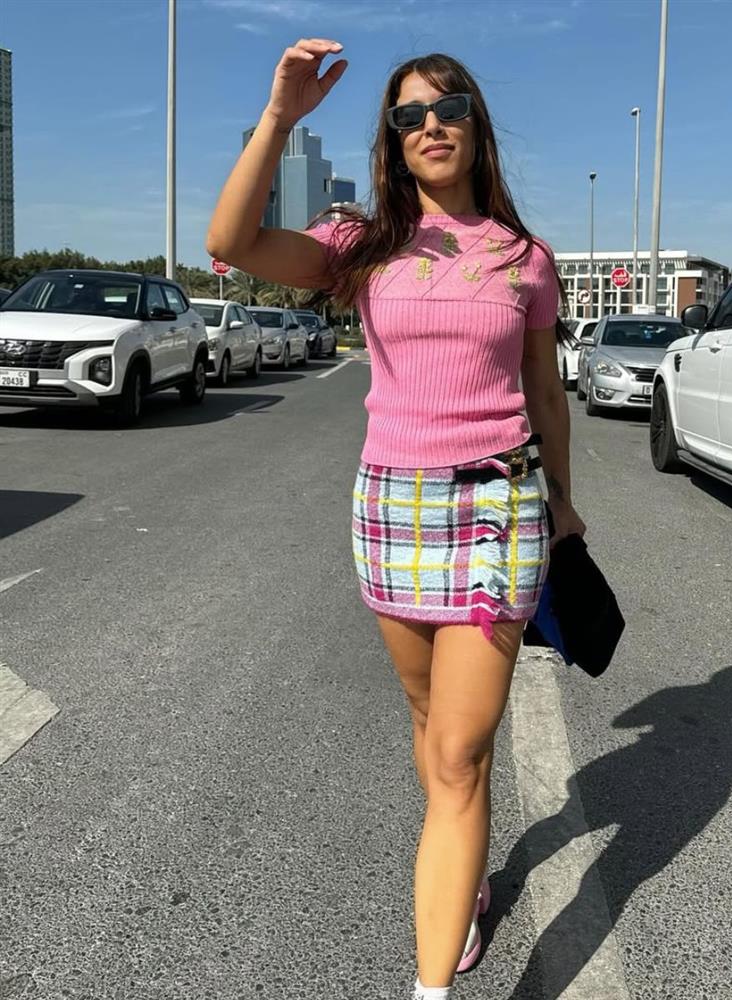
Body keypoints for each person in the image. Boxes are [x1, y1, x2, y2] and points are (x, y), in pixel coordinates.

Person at [205, 38, 586, 999]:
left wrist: (564, 502)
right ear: (392, 139)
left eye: (448, 107)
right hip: (392, 507)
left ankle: (429, 983)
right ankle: (467, 874)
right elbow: (232, 242)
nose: (430, 125)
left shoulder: (526, 258)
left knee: (457, 753)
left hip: (497, 504)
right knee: (429, 721)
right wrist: (280, 117)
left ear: (476, 124)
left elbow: (546, 389)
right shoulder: (361, 247)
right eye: (409, 115)